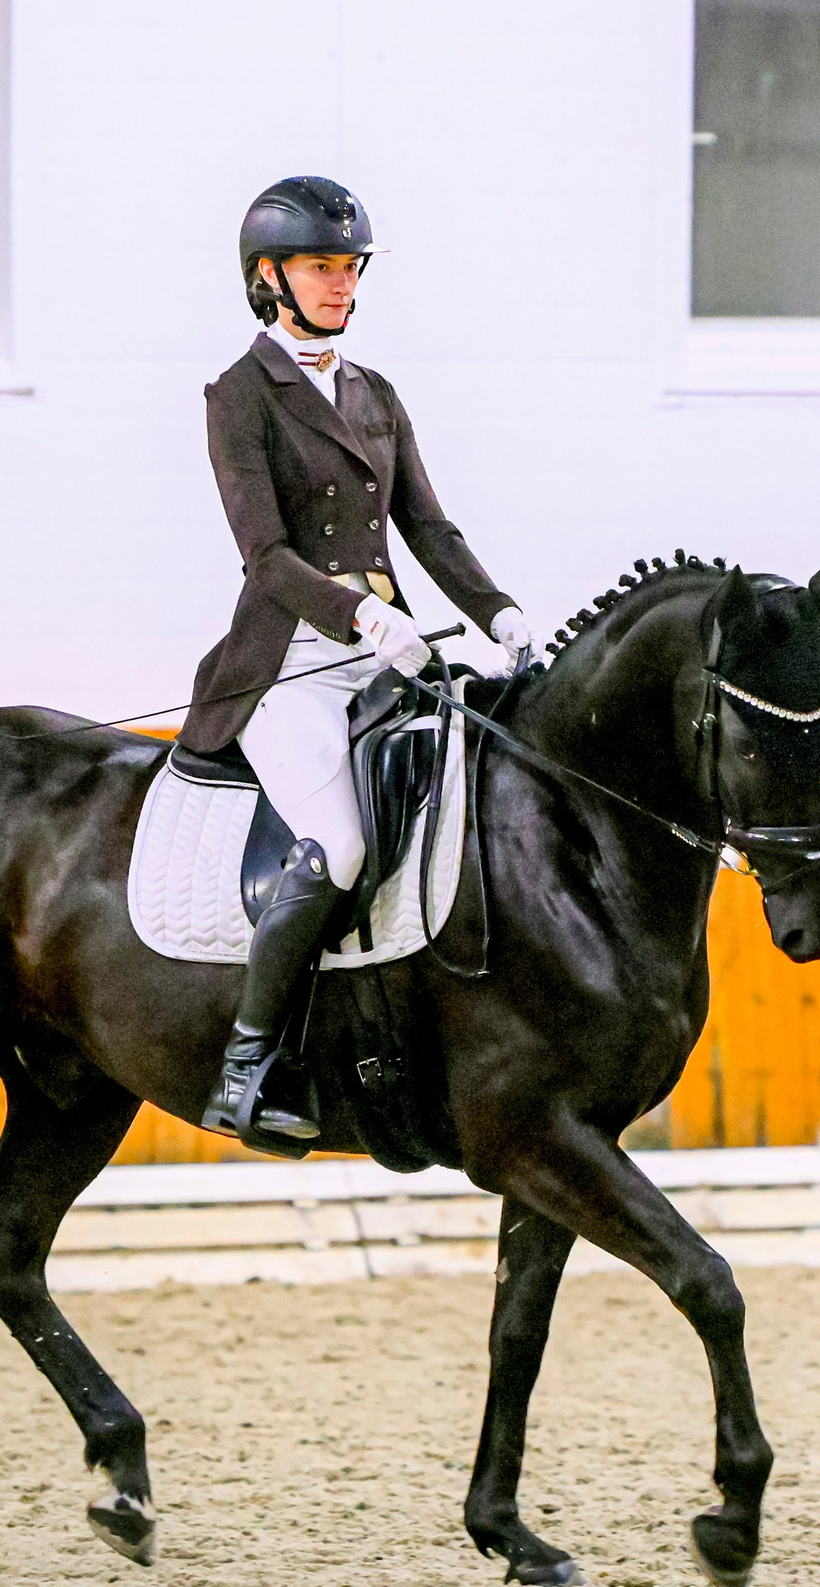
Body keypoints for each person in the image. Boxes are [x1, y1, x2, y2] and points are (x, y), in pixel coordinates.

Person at [183, 176, 535, 1147]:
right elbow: (265, 555)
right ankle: (247, 1064)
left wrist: (499, 613)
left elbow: (427, 526)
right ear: (268, 278)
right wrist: (360, 616)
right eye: (319, 267)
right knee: (337, 845)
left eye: (348, 267)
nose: (341, 284)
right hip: (288, 661)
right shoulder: (239, 395)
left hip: (389, 654)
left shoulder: (374, 393)